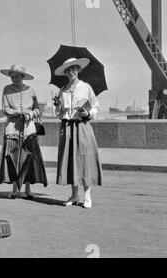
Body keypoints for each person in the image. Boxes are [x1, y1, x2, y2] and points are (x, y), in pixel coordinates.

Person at [53, 58, 102, 209]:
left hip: (82, 126)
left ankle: (87, 196)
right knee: (70, 160)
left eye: (74, 69)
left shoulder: (86, 87)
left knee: (84, 159)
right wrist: (58, 106)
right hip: (67, 127)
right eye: (68, 70)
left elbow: (96, 107)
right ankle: (74, 195)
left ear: (78, 70)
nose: (71, 72)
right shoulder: (62, 90)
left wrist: (87, 113)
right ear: (65, 73)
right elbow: (59, 114)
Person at [0, 65, 48, 199]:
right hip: (12, 128)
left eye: (17, 76)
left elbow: (37, 109)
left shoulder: (31, 90)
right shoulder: (6, 90)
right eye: (12, 76)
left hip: (28, 129)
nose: (14, 79)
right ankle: (14, 188)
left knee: (28, 159)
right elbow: (5, 109)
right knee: (13, 159)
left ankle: (28, 188)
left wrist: (30, 114)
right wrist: (19, 112)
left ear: (23, 77)